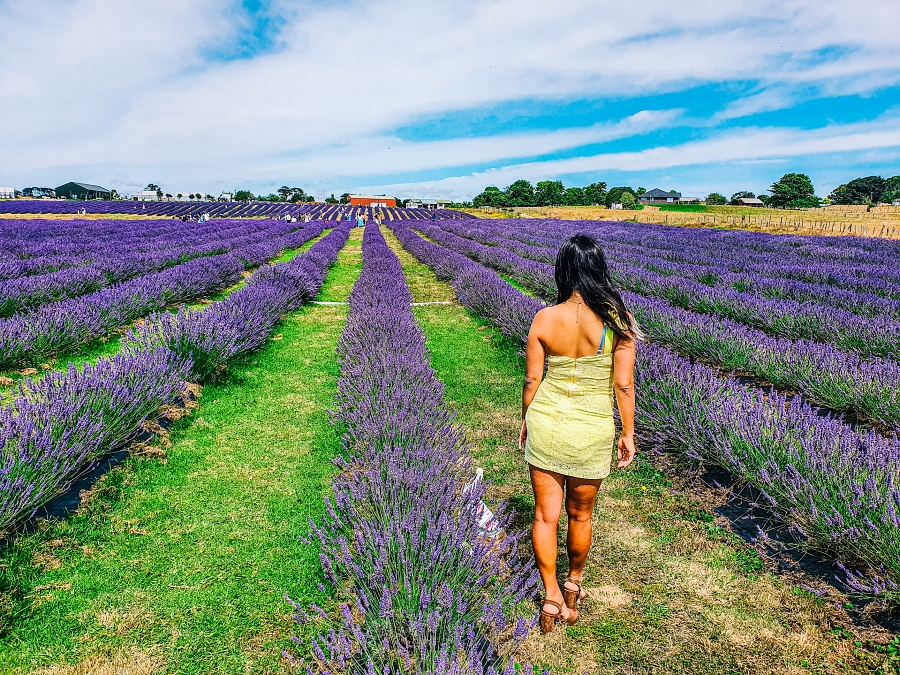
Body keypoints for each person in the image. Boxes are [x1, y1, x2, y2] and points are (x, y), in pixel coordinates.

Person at [519, 234, 639, 634]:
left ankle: (550, 595)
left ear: (563, 271)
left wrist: (526, 418)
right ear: (598, 270)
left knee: (544, 515)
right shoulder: (616, 321)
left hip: (547, 421)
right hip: (590, 427)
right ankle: (573, 582)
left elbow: (533, 378)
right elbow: (623, 386)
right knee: (580, 514)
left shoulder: (543, 318)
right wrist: (628, 433)